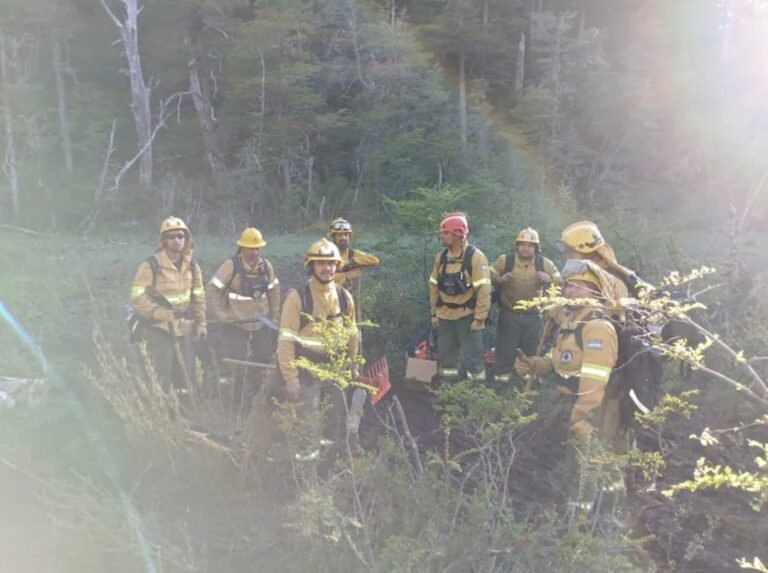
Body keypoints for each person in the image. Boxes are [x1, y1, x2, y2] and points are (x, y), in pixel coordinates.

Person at [515, 259, 625, 515]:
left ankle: (601, 520)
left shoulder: (598, 328)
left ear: (595, 291)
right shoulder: (570, 322)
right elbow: (559, 362)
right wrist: (534, 365)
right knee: (572, 466)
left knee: (592, 466)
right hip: (570, 404)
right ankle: (574, 516)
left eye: (579, 286)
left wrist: (581, 417)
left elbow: (595, 380)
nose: (571, 291)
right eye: (569, 286)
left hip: (595, 411)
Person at [277, 238, 358, 458]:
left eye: (331, 263)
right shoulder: (297, 298)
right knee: (309, 424)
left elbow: (352, 333)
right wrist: (291, 378)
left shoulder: (344, 297)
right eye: (321, 263)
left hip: (336, 369)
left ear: (337, 265)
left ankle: (328, 463)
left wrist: (352, 365)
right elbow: (285, 342)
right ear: (311, 265)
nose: (327, 268)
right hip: (307, 371)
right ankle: (306, 467)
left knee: (334, 421)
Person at [130, 216, 206, 392]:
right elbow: (137, 298)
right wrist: (157, 313)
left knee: (186, 374)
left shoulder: (192, 266)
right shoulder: (151, 265)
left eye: (180, 236)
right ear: (164, 240)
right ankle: (160, 406)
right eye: (171, 236)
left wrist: (202, 323)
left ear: (186, 238)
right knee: (161, 372)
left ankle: (184, 405)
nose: (176, 240)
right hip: (159, 328)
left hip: (185, 327)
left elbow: (199, 297)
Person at [207, 227, 280, 407]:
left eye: (257, 248)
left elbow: (274, 291)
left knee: (265, 358)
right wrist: (221, 315)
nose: (254, 252)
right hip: (236, 323)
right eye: (250, 248)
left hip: (260, 323)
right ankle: (233, 401)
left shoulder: (266, 267)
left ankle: (256, 395)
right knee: (237, 363)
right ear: (242, 248)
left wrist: (274, 315)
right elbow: (212, 289)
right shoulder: (230, 266)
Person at [490, 227, 560, 382]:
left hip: (533, 317)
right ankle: (502, 384)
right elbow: (489, 273)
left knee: (531, 352)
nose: (525, 248)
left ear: (536, 248)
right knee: (505, 351)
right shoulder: (506, 260)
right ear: (517, 246)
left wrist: (549, 279)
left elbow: (561, 281)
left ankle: (527, 385)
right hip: (509, 315)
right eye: (522, 244)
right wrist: (499, 280)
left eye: (530, 245)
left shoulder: (544, 264)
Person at [429, 213, 492, 382]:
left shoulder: (476, 257)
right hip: (445, 317)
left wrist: (479, 319)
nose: (442, 236)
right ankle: (449, 394)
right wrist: (434, 313)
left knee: (473, 361)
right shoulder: (441, 258)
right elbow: (433, 286)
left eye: (445, 233)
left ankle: (476, 395)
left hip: (467, 318)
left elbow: (484, 290)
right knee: (447, 362)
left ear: (457, 234)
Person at [559, 221, 651, 301]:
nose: (568, 256)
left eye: (570, 251)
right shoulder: (590, 271)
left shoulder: (611, 277)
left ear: (586, 251)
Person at [327, 217, 380, 290]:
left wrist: (352, 262)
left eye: (346, 235)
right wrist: (348, 275)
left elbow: (374, 259)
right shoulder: (325, 255)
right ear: (333, 237)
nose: (343, 238)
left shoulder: (352, 254)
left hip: (350, 296)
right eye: (339, 235)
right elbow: (323, 281)